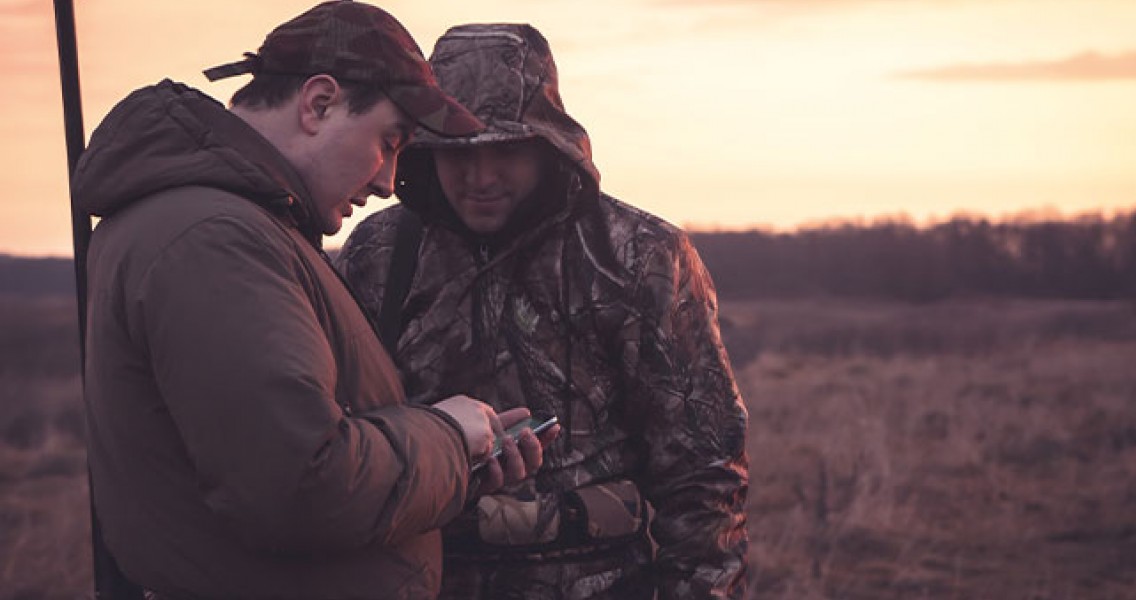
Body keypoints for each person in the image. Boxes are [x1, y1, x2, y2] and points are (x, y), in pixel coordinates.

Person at [72, 3, 556, 599]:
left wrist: (458, 470)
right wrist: (447, 439)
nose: (387, 182)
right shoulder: (213, 240)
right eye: (389, 141)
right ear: (319, 103)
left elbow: (282, 451)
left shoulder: (237, 227)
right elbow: (304, 486)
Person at [337, 23, 749, 599]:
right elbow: (341, 444)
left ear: (546, 144)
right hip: (420, 582)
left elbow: (703, 478)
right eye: (455, 153)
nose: (480, 178)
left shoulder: (639, 254)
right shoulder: (378, 254)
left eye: (504, 150)